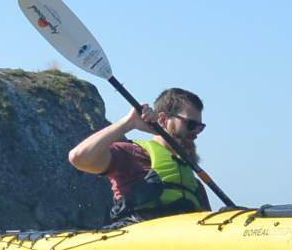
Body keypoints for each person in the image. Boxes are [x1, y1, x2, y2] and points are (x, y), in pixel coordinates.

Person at [67, 87, 210, 224]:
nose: (196, 132)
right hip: (138, 237)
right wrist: (129, 123)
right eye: (191, 124)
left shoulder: (194, 184)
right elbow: (79, 157)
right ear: (163, 120)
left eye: (200, 127)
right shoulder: (133, 154)